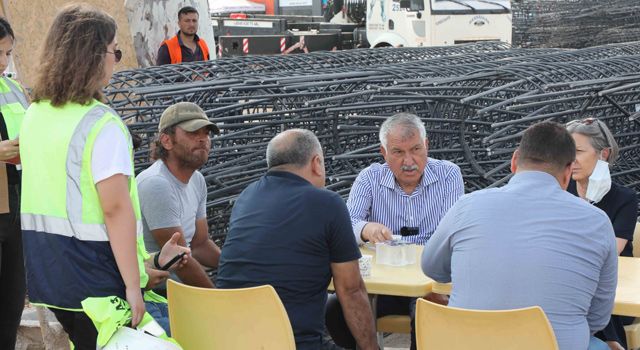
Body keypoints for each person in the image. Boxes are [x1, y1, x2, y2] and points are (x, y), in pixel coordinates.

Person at [20, 5, 188, 348]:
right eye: (115, 51)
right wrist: (132, 285)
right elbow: (114, 209)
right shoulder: (101, 124)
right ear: (93, 56)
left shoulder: (35, 114)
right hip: (95, 279)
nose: (117, 61)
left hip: (50, 274)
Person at [421, 121, 617, 350]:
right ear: (567, 173)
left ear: (514, 161)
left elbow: (432, 268)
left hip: (466, 343)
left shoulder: (467, 205)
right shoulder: (597, 222)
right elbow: (598, 317)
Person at [216, 129, 377, 350]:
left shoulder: (246, 197)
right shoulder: (327, 203)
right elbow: (350, 290)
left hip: (229, 339)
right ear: (316, 163)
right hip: (292, 343)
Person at [326, 112, 464, 350]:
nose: (409, 161)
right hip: (382, 286)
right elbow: (346, 225)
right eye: (398, 152)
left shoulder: (448, 175)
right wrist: (366, 228)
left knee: (430, 309)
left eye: (416, 149)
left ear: (426, 146)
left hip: (427, 282)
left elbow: (453, 233)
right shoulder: (370, 178)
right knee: (333, 308)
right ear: (384, 153)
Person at [566, 117, 638, 350]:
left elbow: (608, 251)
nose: (570, 160)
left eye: (577, 151)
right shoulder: (558, 190)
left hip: (614, 290)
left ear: (603, 154)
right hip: (570, 286)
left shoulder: (624, 198)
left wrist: (588, 201)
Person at [138, 102, 221, 290]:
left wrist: (239, 267)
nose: (202, 140)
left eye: (206, 133)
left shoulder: (197, 180)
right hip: (156, 295)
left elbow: (200, 245)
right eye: (193, 133)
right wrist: (217, 299)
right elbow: (181, 260)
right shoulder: (156, 184)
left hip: (178, 291)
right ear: (166, 140)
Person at [0, 17, 29, 350]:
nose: (3, 61)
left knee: (10, 308)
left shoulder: (12, 88)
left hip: (16, 208)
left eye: (8, 53)